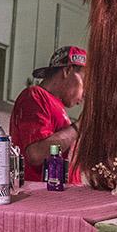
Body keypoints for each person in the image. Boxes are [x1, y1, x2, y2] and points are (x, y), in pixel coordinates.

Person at [9, 45, 85, 184]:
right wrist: (80, 126)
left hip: (60, 198)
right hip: (41, 198)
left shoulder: (55, 105)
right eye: (85, 82)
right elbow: (36, 154)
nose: (85, 93)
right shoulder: (34, 96)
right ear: (68, 70)